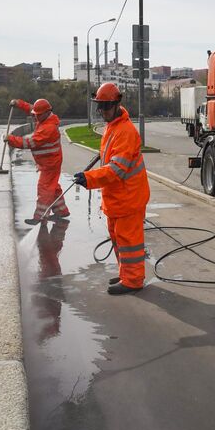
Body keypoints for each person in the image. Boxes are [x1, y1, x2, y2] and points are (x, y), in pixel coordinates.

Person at [73, 83, 150, 295]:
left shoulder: (125, 132)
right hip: (117, 199)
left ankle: (133, 280)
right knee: (119, 241)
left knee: (129, 242)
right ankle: (126, 273)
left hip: (128, 199)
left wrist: (89, 179)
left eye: (105, 107)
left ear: (116, 104)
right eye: (99, 107)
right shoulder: (112, 128)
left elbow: (116, 170)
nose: (101, 111)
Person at [6, 98, 69, 225]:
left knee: (44, 188)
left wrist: (10, 139)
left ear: (47, 112)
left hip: (50, 163)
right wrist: (17, 103)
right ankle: (61, 211)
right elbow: (31, 108)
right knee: (53, 187)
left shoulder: (48, 128)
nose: (36, 117)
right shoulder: (44, 116)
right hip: (49, 161)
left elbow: (29, 143)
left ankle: (40, 216)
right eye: (36, 114)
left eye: (38, 115)